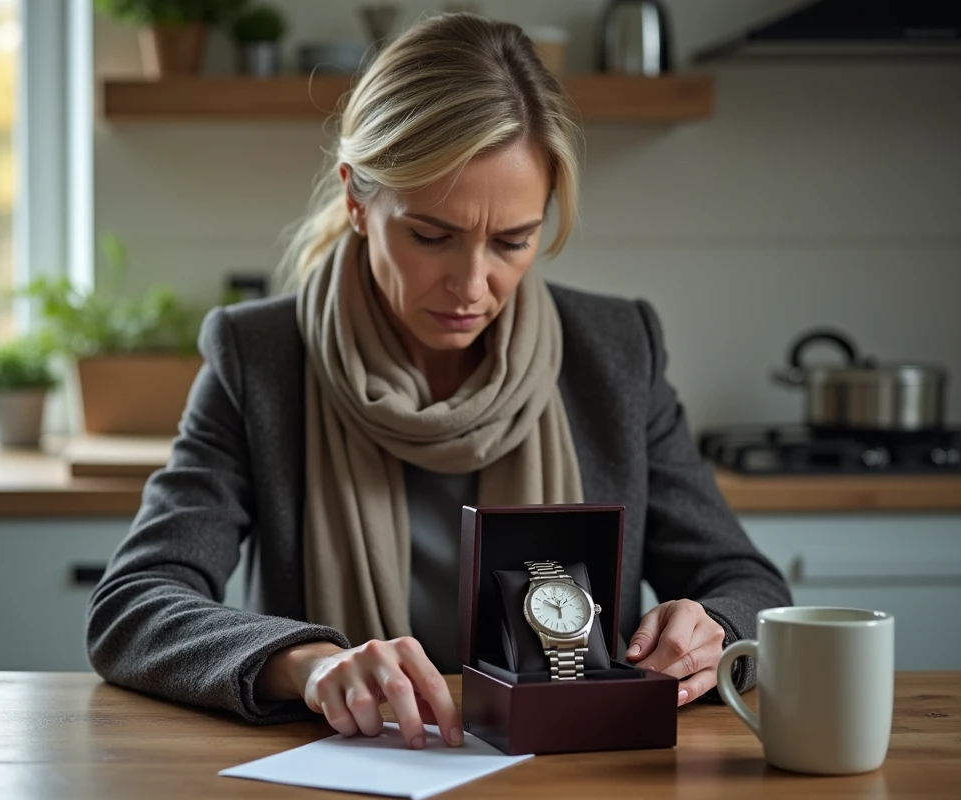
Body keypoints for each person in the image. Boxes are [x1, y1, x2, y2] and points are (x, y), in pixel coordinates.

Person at [87, 13, 791, 751]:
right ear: (357, 200)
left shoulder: (616, 351)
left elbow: (749, 585)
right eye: (431, 236)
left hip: (577, 770)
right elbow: (133, 606)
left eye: (513, 241)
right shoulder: (259, 356)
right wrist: (309, 665)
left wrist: (715, 629)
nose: (472, 285)